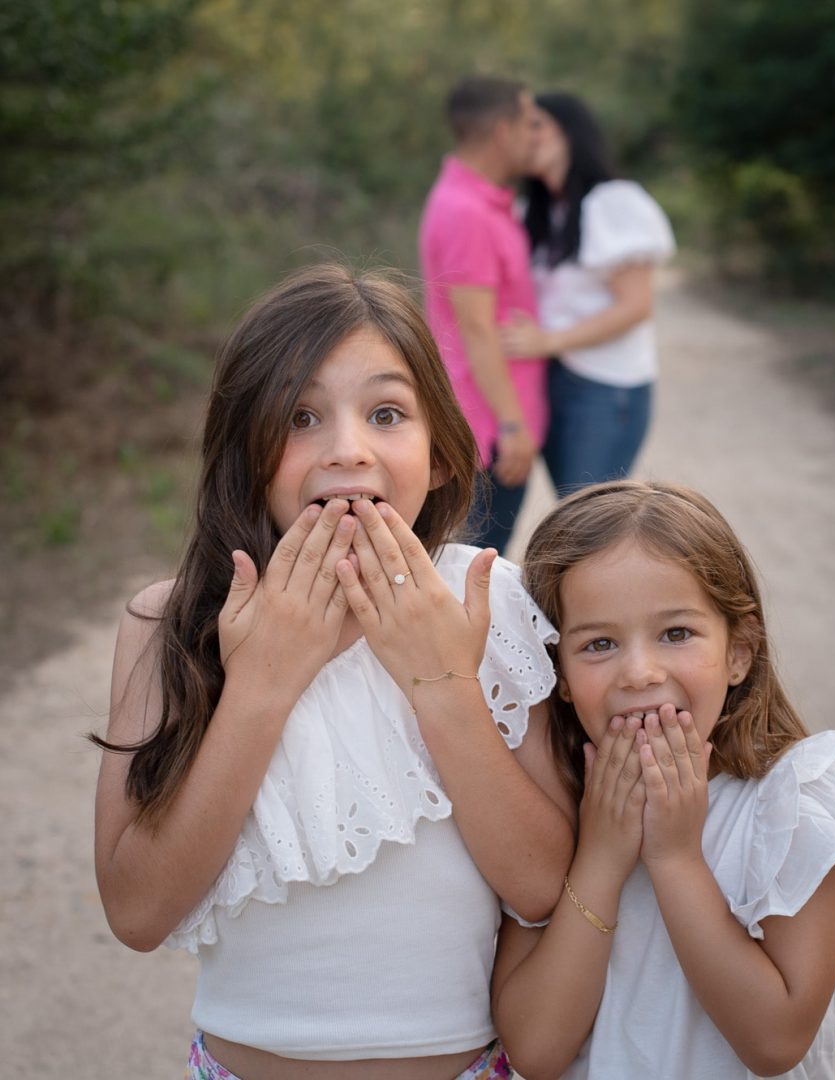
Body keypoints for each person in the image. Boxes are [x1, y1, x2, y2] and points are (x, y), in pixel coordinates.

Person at [93, 264, 574, 1079]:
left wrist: (441, 683)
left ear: (443, 454)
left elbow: (542, 890)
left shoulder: (494, 604)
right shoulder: (165, 623)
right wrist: (262, 686)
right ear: (245, 452)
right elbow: (138, 911)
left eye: (387, 413)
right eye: (301, 416)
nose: (347, 449)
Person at [491, 480, 835, 1079]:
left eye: (676, 633)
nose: (640, 673)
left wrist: (676, 857)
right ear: (561, 676)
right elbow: (535, 1050)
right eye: (598, 643)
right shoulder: (554, 808)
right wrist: (599, 857)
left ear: (740, 652)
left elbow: (776, 1041)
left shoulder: (795, 800)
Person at [500, 94, 675, 495]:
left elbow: (636, 307)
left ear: (570, 131)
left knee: (586, 517)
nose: (527, 136)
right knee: (568, 511)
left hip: (605, 387)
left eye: (536, 124)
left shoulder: (614, 202)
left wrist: (548, 341)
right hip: (553, 378)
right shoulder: (537, 212)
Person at [419, 75, 545, 554]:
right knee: (474, 566)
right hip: (486, 431)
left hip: (496, 422)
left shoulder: (483, 203)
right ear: (502, 131)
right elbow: (476, 328)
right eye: (529, 124)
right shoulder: (466, 211)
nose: (536, 136)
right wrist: (511, 426)